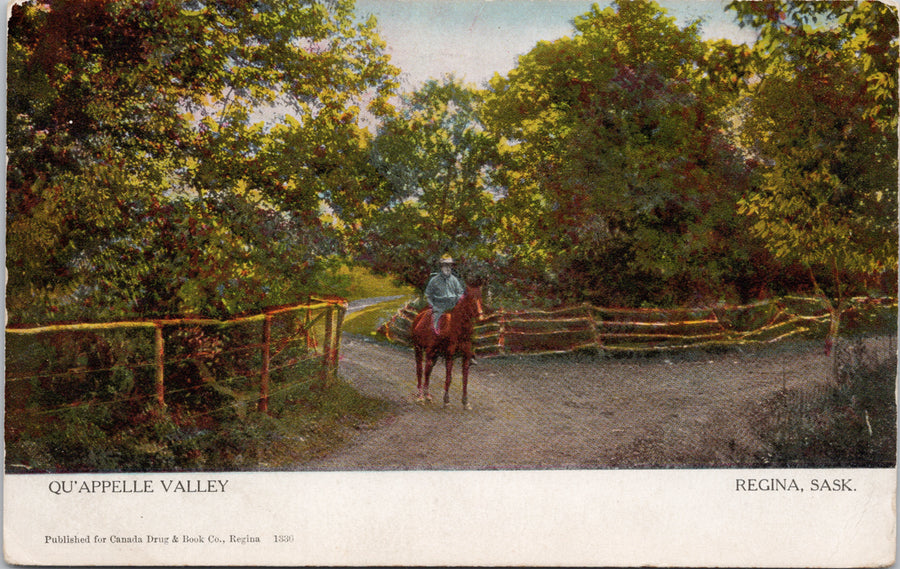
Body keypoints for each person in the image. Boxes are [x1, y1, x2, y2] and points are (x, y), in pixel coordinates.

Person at [424, 254, 465, 335]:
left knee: (463, 322)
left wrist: (458, 300)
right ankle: (436, 336)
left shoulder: (454, 280)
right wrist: (432, 305)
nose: (447, 268)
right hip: (439, 306)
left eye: (449, 265)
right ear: (441, 266)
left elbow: (460, 292)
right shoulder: (434, 280)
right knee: (435, 321)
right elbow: (428, 294)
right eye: (445, 265)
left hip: (453, 306)